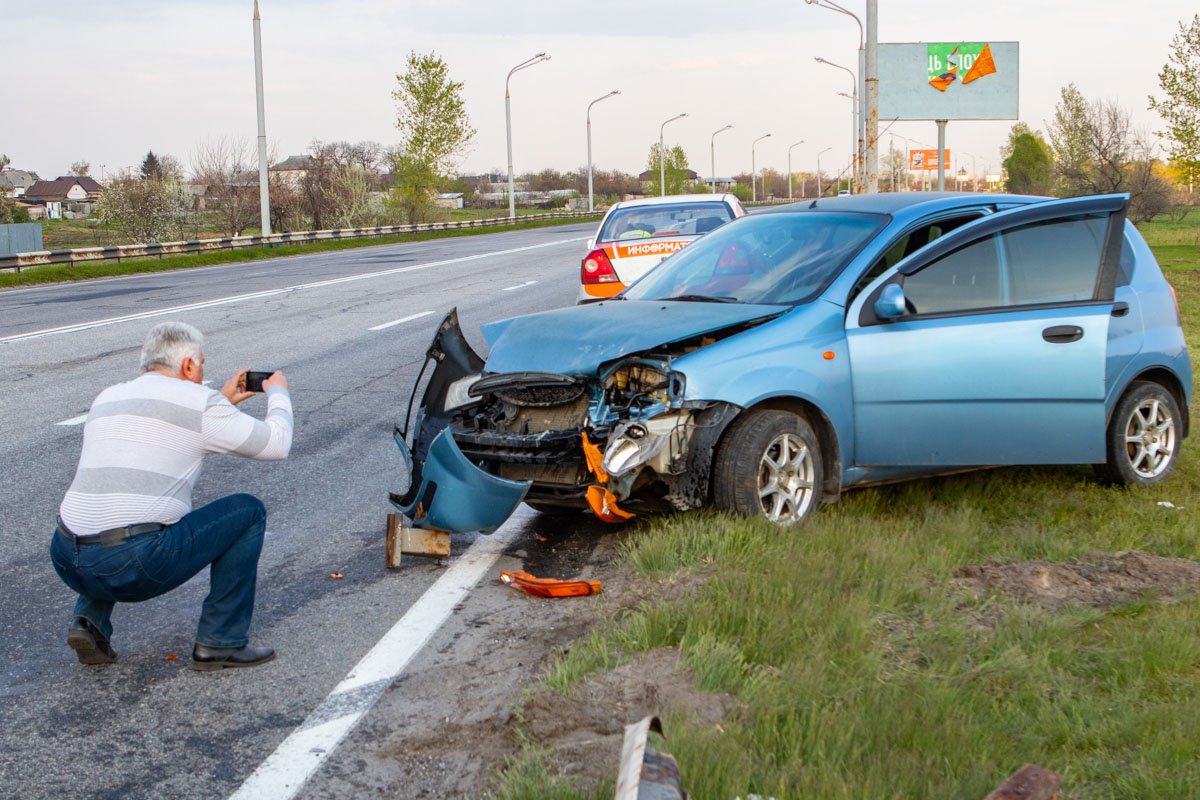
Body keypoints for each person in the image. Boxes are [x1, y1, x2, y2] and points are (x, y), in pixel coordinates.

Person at [50, 321, 293, 671]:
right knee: (248, 511)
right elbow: (277, 444)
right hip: (134, 563)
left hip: (65, 558)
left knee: (108, 514)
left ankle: (88, 620)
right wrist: (278, 393)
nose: (202, 370)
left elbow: (162, 435)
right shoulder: (200, 403)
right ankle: (220, 643)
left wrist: (223, 402)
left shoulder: (109, 396)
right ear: (189, 366)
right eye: (202, 363)